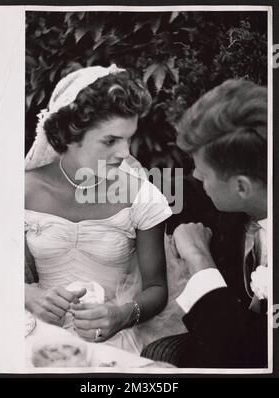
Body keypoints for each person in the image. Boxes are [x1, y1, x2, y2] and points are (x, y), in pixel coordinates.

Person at [25, 64, 184, 355]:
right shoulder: (22, 190)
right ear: (70, 134)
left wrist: (122, 315)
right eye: (110, 140)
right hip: (34, 333)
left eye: (128, 138)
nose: (124, 153)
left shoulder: (141, 195)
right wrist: (28, 295)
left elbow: (157, 288)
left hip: (113, 340)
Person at [141, 79, 268, 367]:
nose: (196, 176)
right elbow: (182, 190)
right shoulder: (245, 194)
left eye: (203, 171)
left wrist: (199, 259)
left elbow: (238, 356)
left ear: (242, 187)